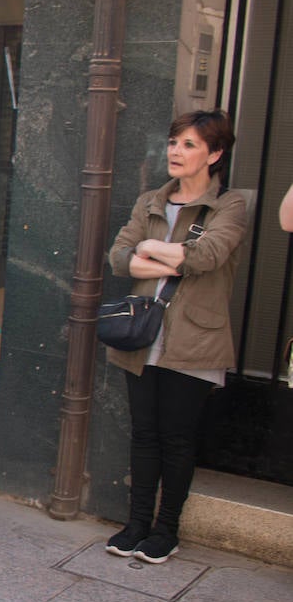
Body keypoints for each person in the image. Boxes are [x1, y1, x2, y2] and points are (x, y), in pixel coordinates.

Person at [103, 110, 248, 562]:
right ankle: (138, 523)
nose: (175, 151)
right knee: (144, 434)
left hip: (195, 340)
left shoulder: (230, 206)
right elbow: (119, 258)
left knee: (177, 438)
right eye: (173, 142)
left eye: (189, 144)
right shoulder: (150, 200)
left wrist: (151, 250)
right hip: (142, 335)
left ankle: (167, 530)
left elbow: (206, 256)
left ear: (215, 153)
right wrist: (167, 256)